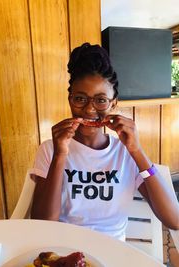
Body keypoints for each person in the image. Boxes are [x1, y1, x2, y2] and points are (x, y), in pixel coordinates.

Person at [30, 43, 179, 241]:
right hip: (63, 249)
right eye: (80, 98)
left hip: (112, 253)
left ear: (113, 103)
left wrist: (137, 151)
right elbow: (43, 224)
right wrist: (60, 155)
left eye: (101, 100)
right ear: (70, 99)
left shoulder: (126, 153)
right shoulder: (50, 149)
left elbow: (174, 220)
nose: (89, 110)